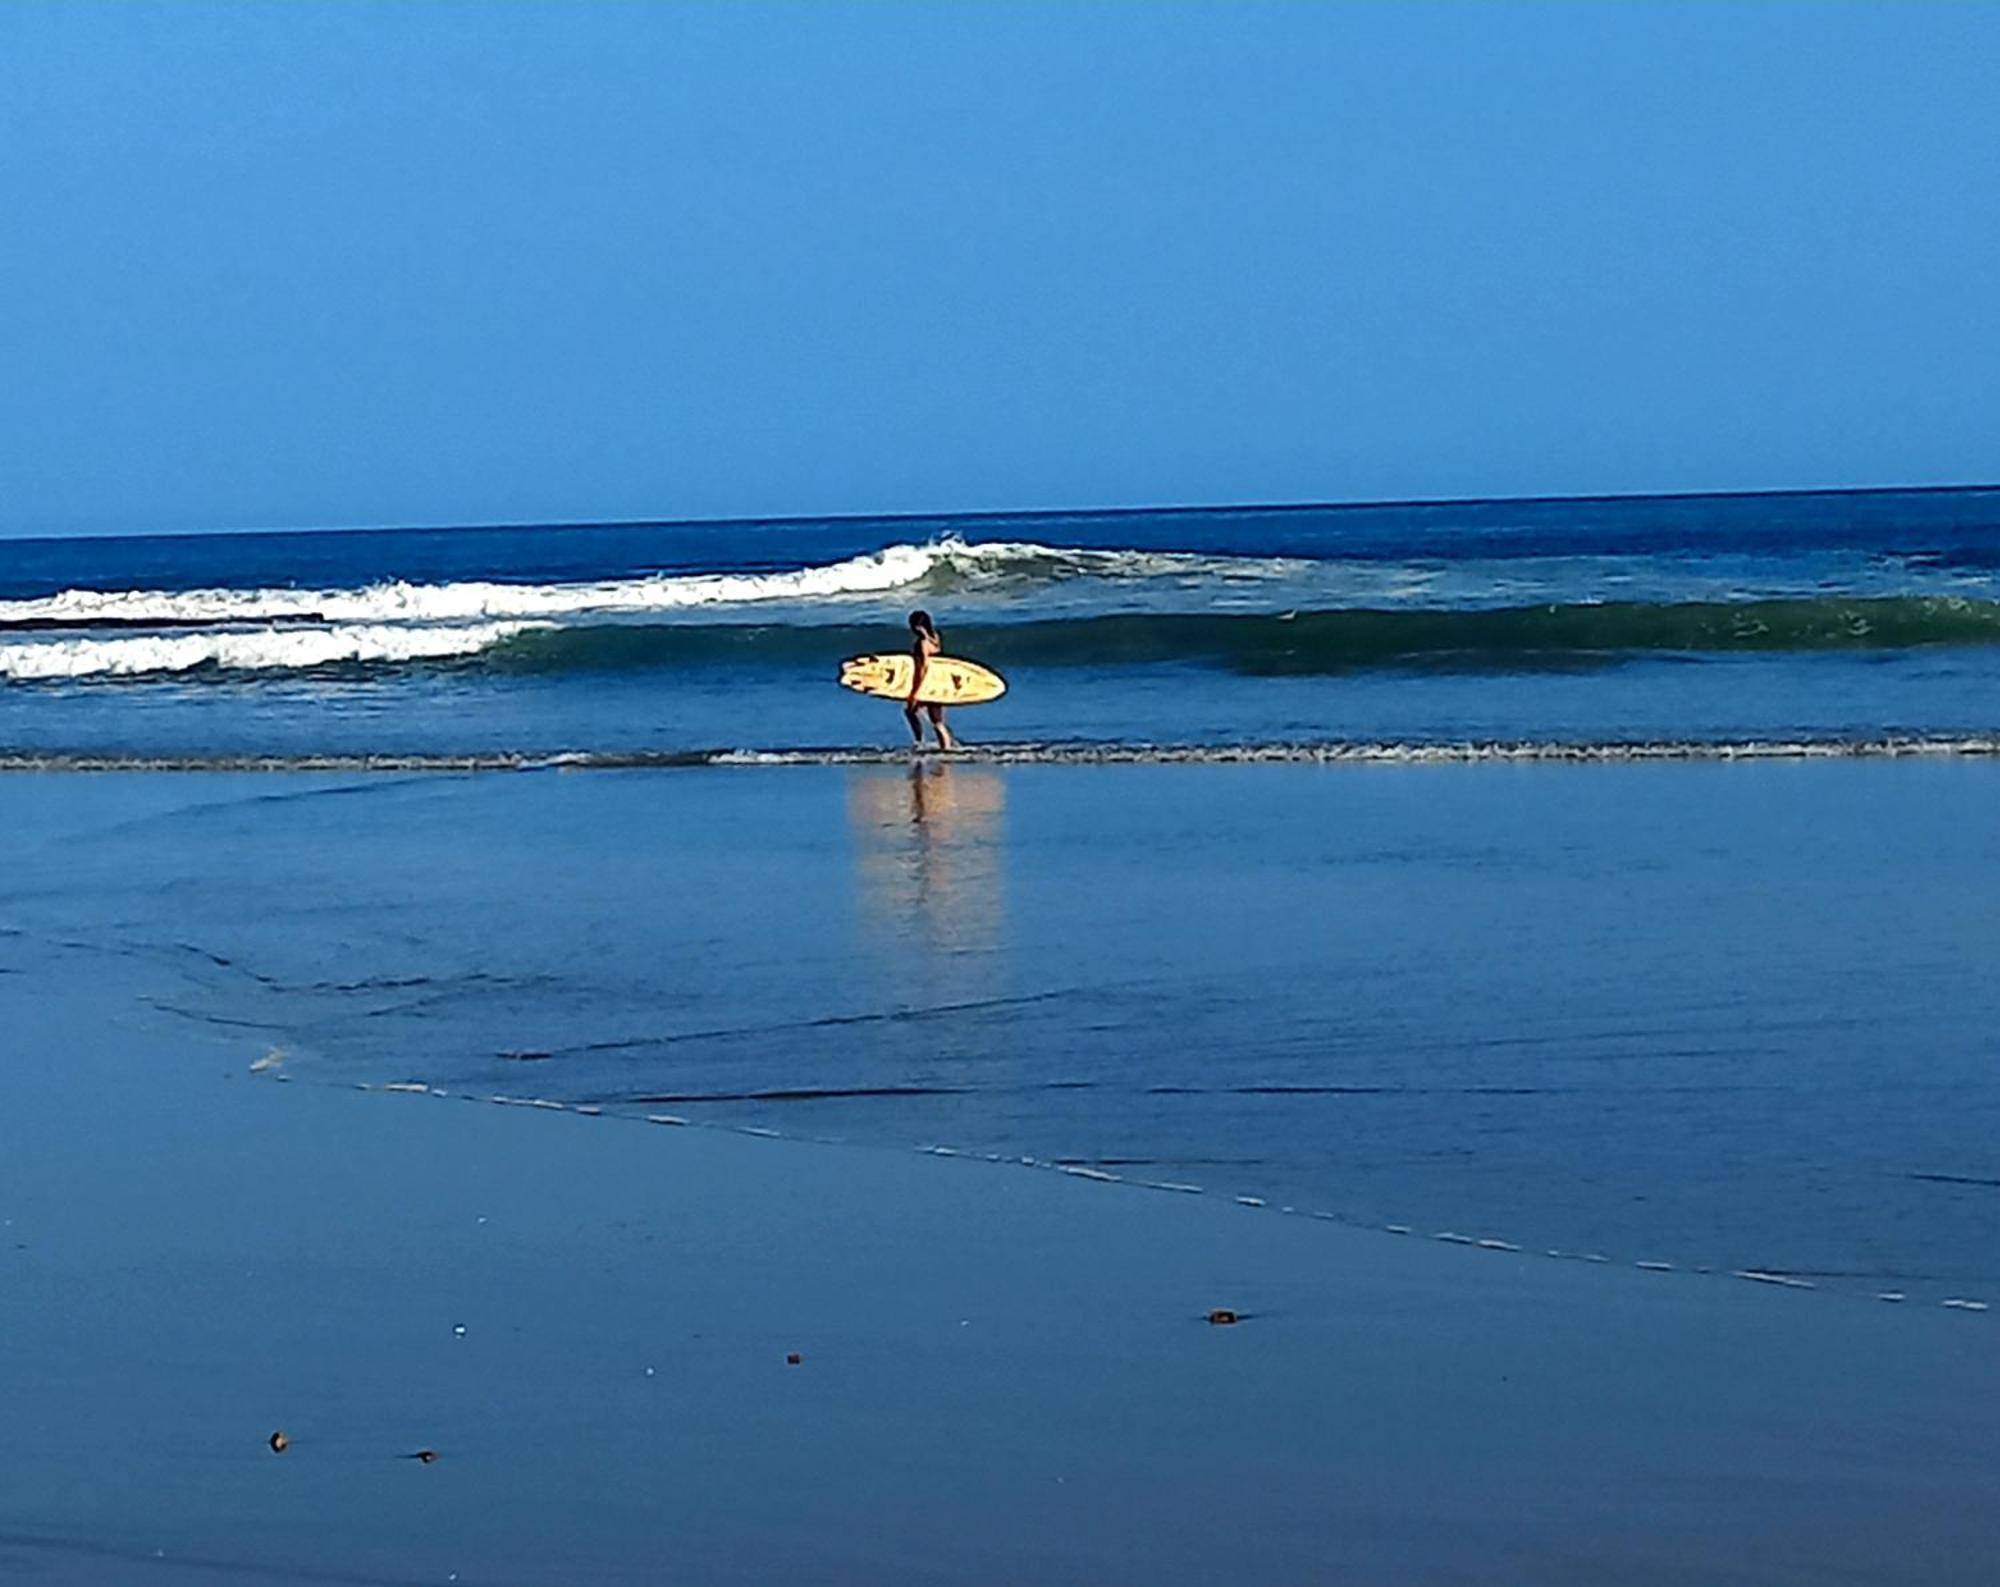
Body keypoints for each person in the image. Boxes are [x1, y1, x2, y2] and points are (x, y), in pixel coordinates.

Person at [904, 609, 956, 751]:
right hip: (939, 682)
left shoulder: (922, 643)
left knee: (912, 711)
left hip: (927, 684)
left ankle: (920, 742)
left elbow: (923, 668)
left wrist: (915, 692)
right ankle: (945, 747)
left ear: (917, 626)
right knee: (937, 720)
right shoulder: (935, 638)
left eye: (911, 624)